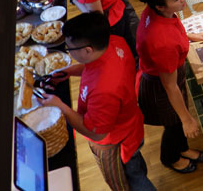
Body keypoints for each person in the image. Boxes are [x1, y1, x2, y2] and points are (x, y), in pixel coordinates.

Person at [40, 13, 155, 191]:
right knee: (136, 167)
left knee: (132, 181)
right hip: (130, 125)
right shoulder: (115, 42)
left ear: (87, 50)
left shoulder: (104, 90)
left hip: (115, 141)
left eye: (70, 49)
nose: (69, 51)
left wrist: (61, 106)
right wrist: (69, 71)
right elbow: (91, 66)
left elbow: (97, 134)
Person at [135, 0, 203, 174]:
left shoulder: (155, 12)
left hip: (165, 76)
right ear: (160, 6)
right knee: (174, 123)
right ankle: (170, 158)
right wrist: (188, 119)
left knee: (177, 122)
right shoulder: (163, 42)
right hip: (160, 87)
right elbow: (170, 87)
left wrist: (189, 37)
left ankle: (183, 148)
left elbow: (171, 29)